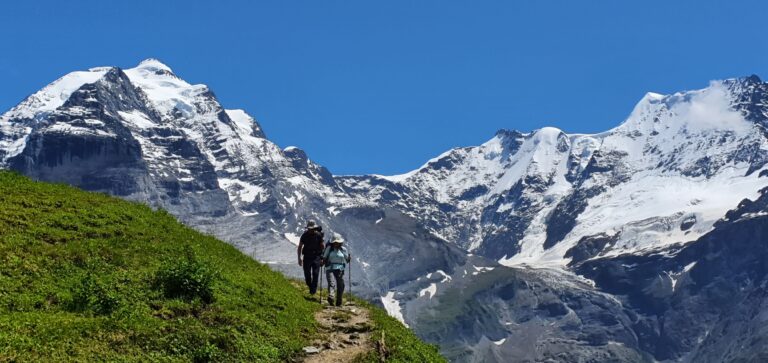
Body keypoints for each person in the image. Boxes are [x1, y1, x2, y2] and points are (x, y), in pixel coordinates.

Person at [322, 233, 351, 307]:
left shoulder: (343, 249)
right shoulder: (329, 248)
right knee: (332, 283)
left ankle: (339, 302)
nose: (336, 244)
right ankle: (331, 297)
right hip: (330, 268)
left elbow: (347, 260)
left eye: (337, 242)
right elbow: (324, 257)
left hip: (340, 269)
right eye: (335, 242)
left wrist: (349, 258)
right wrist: (323, 262)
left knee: (341, 285)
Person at [298, 220, 324, 296]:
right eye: (310, 229)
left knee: (315, 274)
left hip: (316, 257)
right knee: (307, 274)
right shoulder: (304, 235)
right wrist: (299, 258)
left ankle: (313, 290)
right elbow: (300, 246)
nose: (311, 230)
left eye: (312, 229)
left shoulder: (318, 235)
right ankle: (310, 286)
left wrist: (322, 258)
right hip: (307, 257)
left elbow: (322, 246)